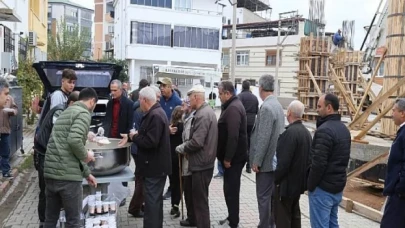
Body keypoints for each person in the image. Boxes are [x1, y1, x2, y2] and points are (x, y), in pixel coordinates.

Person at [43, 88, 98, 227]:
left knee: (50, 219)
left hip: (50, 174)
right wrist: (87, 156)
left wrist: (87, 173)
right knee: (73, 221)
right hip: (67, 179)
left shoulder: (67, 111)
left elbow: (66, 148)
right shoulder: (84, 113)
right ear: (92, 101)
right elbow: (74, 141)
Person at [121, 86, 172, 228]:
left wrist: (135, 136)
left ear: (144, 100)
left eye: (139, 99)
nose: (138, 102)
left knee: (152, 205)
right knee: (154, 204)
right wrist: (132, 137)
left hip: (154, 168)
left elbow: (150, 142)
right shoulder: (154, 113)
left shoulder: (155, 115)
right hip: (154, 167)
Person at [34, 91, 80, 227]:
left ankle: (46, 221)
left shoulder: (64, 110)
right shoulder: (59, 112)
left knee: (51, 206)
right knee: (44, 192)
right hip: (43, 155)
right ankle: (42, 221)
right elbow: (63, 138)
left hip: (47, 156)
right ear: (71, 103)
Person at [176, 84, 218, 228]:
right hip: (202, 161)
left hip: (202, 163)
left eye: (189, 97)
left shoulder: (203, 114)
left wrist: (182, 147)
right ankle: (194, 220)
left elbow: (197, 142)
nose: (188, 100)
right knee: (197, 198)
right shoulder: (204, 112)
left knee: (200, 202)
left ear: (195, 97)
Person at [307, 93, 351, 228]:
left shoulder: (324, 131)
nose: (317, 109)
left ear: (329, 108)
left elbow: (318, 163)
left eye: (320, 106)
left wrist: (311, 185)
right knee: (332, 224)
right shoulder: (344, 129)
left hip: (323, 189)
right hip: (336, 187)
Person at [250, 74, 285, 228]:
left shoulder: (266, 107)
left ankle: (264, 225)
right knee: (270, 197)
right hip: (275, 160)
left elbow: (263, 137)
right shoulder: (277, 105)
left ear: (261, 88)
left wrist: (257, 161)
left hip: (265, 162)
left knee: (263, 197)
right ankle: (270, 224)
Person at [274, 100, 312, 228]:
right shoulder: (306, 133)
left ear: (289, 112)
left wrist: (276, 180)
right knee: (295, 214)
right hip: (299, 183)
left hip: (287, 184)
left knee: (283, 216)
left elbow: (283, 163)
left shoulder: (289, 133)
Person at [216, 81, 247, 228]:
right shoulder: (231, 106)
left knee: (232, 191)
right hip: (233, 158)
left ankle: (233, 222)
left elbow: (233, 136)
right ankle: (231, 217)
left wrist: (228, 158)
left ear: (228, 93)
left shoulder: (233, 108)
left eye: (220, 94)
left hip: (234, 159)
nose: (219, 97)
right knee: (229, 189)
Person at [128, 84, 161, 218]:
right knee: (141, 181)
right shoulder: (141, 112)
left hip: (140, 149)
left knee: (141, 180)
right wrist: (134, 137)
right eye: (157, 97)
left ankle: (138, 205)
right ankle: (135, 207)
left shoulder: (150, 112)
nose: (158, 99)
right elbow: (141, 134)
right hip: (139, 150)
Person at [100, 79, 133, 204]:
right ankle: (109, 191)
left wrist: (128, 138)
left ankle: (123, 194)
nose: (112, 93)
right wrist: (103, 130)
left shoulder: (129, 104)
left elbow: (131, 122)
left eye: (114, 90)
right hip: (110, 139)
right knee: (110, 165)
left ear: (121, 90)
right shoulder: (109, 103)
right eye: (111, 90)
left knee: (123, 167)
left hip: (122, 139)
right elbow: (107, 119)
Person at [380, 98, 405, 227]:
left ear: (403, 113)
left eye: (394, 110)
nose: (392, 114)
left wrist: (399, 189)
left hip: (399, 196)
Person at [157, 77, 182, 199]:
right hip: (161, 136)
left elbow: (179, 121)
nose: (161, 89)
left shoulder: (177, 101)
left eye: (163, 86)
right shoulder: (160, 100)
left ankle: (172, 189)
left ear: (170, 87)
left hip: (172, 139)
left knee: (172, 167)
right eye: (160, 86)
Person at [176, 98, 196, 227]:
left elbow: (191, 139)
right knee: (187, 189)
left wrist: (182, 148)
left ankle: (192, 218)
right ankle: (191, 216)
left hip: (190, 159)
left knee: (189, 190)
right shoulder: (186, 117)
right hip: (185, 158)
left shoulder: (193, 117)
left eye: (184, 104)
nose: (182, 106)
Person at [238, 80, 259, 173]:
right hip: (252, 122)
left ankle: (239, 164)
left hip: (242, 122)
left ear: (242, 87)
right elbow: (257, 111)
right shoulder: (255, 98)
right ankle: (248, 166)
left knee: (241, 142)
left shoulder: (239, 97)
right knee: (250, 144)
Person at [168, 106, 184, 217]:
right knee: (179, 183)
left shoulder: (170, 126)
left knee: (173, 182)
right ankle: (176, 205)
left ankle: (173, 204)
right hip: (178, 157)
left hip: (170, 156)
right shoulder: (182, 126)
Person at [0, 92, 17, 180]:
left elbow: (15, 108)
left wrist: (12, 111)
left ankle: (5, 171)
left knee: (5, 151)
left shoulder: (9, 98)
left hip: (5, 129)